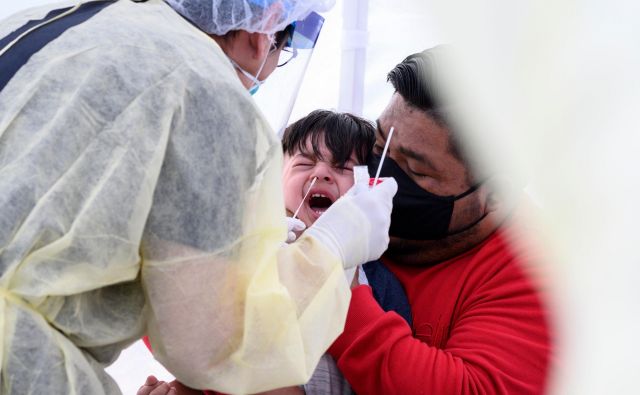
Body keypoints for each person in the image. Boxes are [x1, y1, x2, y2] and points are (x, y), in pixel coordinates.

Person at [0, 1, 398, 394]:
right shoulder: (208, 96)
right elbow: (215, 343)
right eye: (284, 45)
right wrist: (329, 247)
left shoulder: (57, 24)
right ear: (263, 32)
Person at [326, 46, 553, 393]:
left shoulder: (539, 273)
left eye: (415, 169)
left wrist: (331, 291)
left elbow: (468, 388)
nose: (379, 174)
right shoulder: (342, 175)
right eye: (380, 143)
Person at [138, 109, 412, 395]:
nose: (322, 173)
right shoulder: (242, 245)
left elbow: (388, 367)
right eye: (305, 163)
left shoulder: (374, 276)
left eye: (344, 168)